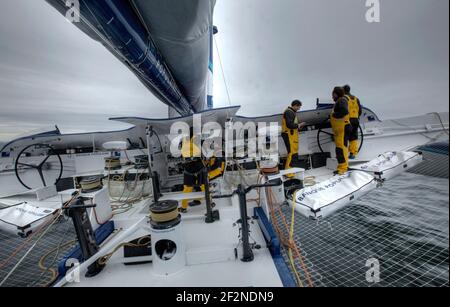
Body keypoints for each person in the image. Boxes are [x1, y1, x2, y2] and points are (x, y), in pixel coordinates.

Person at [331, 87, 352, 175]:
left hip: (342, 128)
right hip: (341, 128)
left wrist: (333, 115)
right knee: (342, 148)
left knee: (341, 148)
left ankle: (343, 169)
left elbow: (344, 111)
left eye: (333, 95)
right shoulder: (340, 101)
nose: (332, 97)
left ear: (336, 94)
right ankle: (344, 166)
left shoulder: (341, 101)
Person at [281, 100, 306, 175]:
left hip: (291, 136)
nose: (299, 109)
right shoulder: (289, 112)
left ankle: (291, 172)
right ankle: (289, 173)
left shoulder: (291, 112)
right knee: (292, 154)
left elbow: (291, 125)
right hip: (289, 135)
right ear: (295, 105)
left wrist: (298, 127)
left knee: (293, 153)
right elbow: (289, 125)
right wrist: (299, 125)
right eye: (298, 107)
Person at [343, 84, 362, 159]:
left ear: (344, 91)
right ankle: (352, 154)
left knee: (345, 137)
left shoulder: (344, 98)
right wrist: (357, 116)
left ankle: (344, 154)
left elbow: (343, 109)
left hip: (348, 120)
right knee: (353, 137)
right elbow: (360, 110)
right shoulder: (356, 99)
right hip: (356, 120)